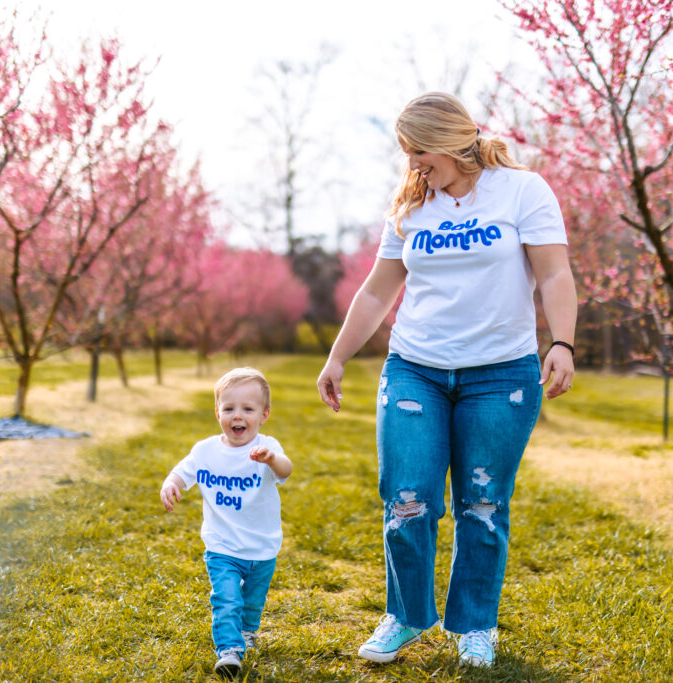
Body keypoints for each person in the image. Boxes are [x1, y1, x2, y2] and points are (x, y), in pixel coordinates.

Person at [317, 92, 576, 669]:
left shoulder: (521, 190)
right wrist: (336, 357)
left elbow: (554, 271)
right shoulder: (411, 207)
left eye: (419, 150)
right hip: (415, 369)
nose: (412, 164)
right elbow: (378, 291)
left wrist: (561, 341)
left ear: (452, 141)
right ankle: (407, 615)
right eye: (406, 153)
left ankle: (475, 625)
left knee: (483, 502)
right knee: (407, 497)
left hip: (501, 373)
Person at [160, 367, 293, 678]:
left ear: (264, 414)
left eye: (248, 409)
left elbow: (286, 471)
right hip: (222, 546)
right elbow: (183, 470)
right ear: (217, 411)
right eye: (229, 408)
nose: (238, 416)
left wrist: (271, 459)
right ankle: (229, 650)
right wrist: (171, 483)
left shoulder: (267, 448)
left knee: (251, 602)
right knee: (226, 598)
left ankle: (247, 631)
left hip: (262, 547)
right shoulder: (206, 450)